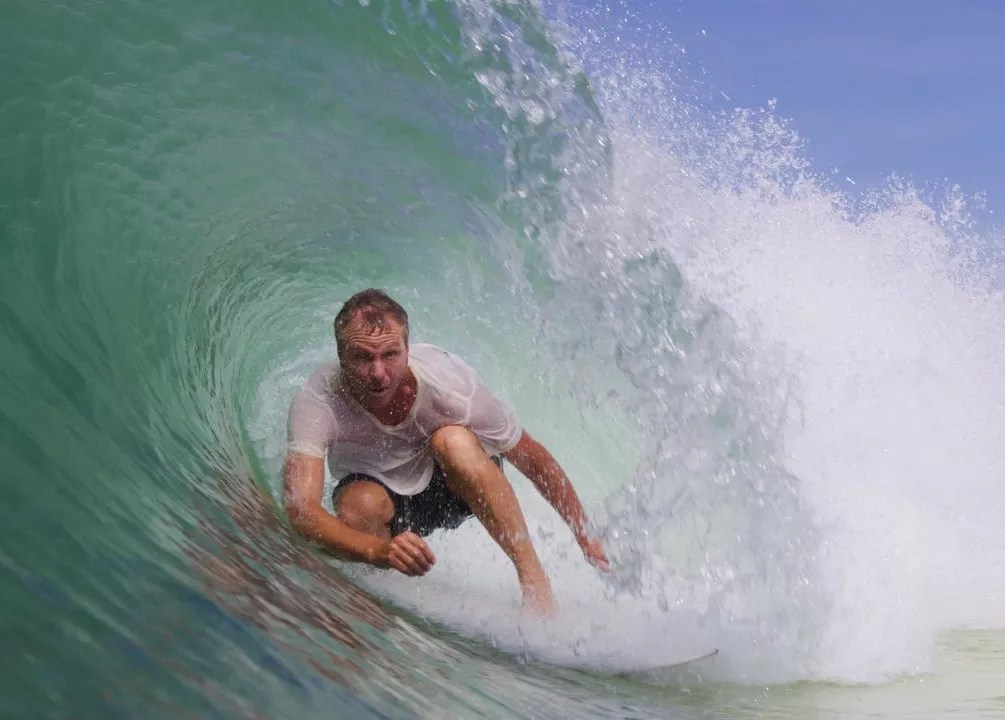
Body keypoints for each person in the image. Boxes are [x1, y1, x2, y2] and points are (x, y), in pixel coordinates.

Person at [283, 288, 608, 613]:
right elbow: (302, 509)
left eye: (390, 354)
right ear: (341, 356)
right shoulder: (319, 400)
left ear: (408, 349)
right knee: (358, 506)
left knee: (452, 441)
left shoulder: (450, 386)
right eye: (363, 357)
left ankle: (535, 584)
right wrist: (376, 552)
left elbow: (530, 456)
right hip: (389, 513)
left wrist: (583, 532)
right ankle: (376, 607)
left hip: (452, 490)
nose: (378, 373)